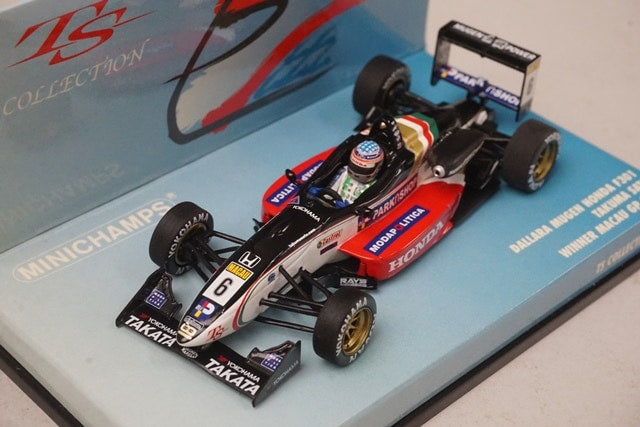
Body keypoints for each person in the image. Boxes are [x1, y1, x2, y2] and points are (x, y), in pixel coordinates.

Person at [329, 140, 385, 205]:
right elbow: (331, 190)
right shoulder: (344, 171)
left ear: (378, 167)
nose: (356, 172)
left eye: (362, 170)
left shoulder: (376, 187)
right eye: (354, 166)